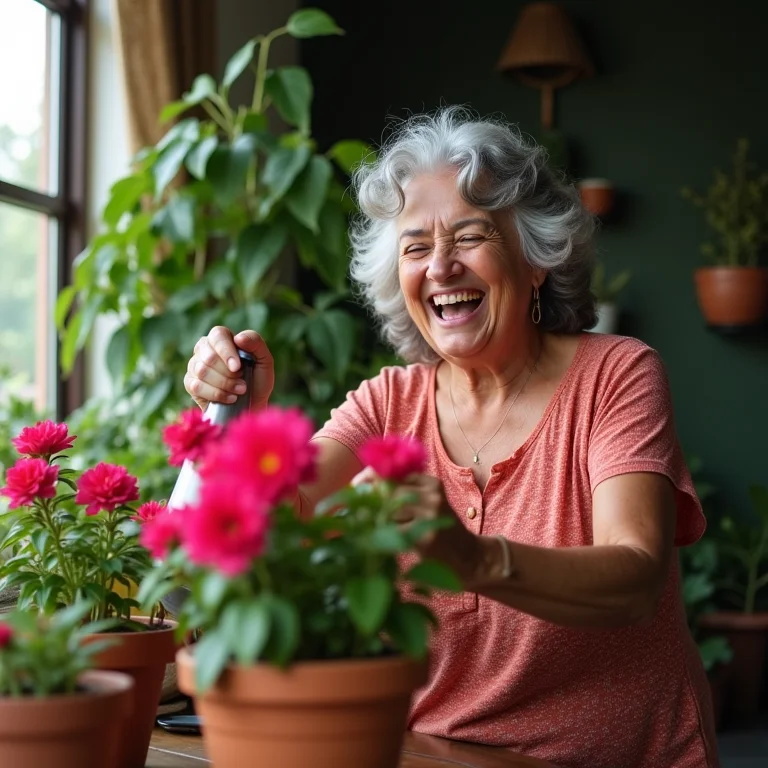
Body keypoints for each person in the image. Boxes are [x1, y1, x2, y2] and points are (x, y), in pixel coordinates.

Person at [183, 108, 718, 768]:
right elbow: (267, 526)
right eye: (415, 248)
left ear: (536, 260)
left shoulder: (615, 375)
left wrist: (474, 558)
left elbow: (635, 576)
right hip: (435, 757)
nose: (440, 267)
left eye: (469, 237)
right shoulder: (387, 403)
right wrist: (238, 412)